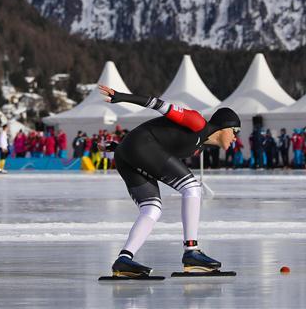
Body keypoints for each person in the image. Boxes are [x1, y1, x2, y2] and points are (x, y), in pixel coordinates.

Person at [98, 83, 240, 278]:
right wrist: (123, 97)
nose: (236, 138)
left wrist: (119, 147)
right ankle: (192, 251)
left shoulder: (198, 147)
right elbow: (157, 104)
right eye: (235, 131)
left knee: (152, 208)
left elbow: (159, 137)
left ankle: (124, 259)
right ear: (225, 127)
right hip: (137, 147)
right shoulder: (197, 122)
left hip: (127, 153)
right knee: (191, 187)